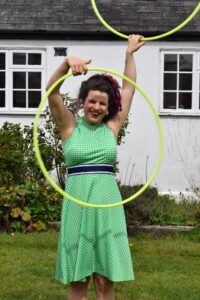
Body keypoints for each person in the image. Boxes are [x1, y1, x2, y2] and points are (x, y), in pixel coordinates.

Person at [46, 34, 144, 300]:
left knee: (104, 280)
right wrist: (67, 63)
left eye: (102, 103)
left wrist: (129, 54)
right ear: (83, 101)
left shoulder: (111, 128)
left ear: (108, 107)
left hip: (106, 205)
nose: (97, 107)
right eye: (92, 101)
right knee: (78, 280)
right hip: (77, 203)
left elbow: (129, 88)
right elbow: (51, 92)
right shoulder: (69, 126)